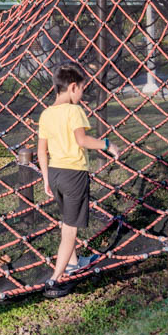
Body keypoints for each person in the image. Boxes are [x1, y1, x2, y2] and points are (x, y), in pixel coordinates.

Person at [37, 63, 120, 299]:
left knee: (66, 220)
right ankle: (54, 281)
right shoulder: (74, 111)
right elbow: (82, 140)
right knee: (70, 231)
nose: (82, 94)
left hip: (55, 173)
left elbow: (42, 151)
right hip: (74, 174)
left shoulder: (46, 113)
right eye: (82, 89)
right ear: (73, 87)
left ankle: (74, 262)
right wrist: (107, 144)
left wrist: (46, 179)